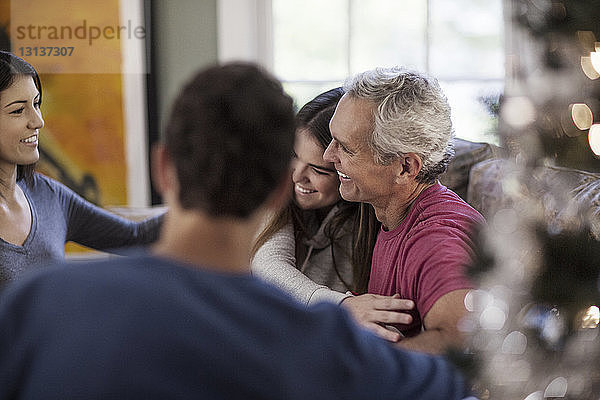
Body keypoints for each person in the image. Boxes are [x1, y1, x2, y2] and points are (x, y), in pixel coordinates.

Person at [0, 63, 471, 399]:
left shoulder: (40, 300)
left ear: (163, 169)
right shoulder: (323, 343)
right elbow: (465, 371)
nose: (329, 161)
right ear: (276, 192)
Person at [323, 66, 485, 354]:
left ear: (405, 167)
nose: (328, 155)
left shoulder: (435, 239)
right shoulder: (396, 214)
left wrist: (359, 371)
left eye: (345, 149)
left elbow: (459, 340)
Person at [251, 87, 414, 342]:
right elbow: (269, 268)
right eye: (294, 157)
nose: (296, 176)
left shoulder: (369, 219)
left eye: (318, 170)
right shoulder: (273, 189)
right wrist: (343, 306)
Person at [0, 51, 162, 285]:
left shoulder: (48, 196)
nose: (38, 121)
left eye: (36, 104)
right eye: (18, 110)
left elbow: (136, 236)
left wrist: (208, 197)